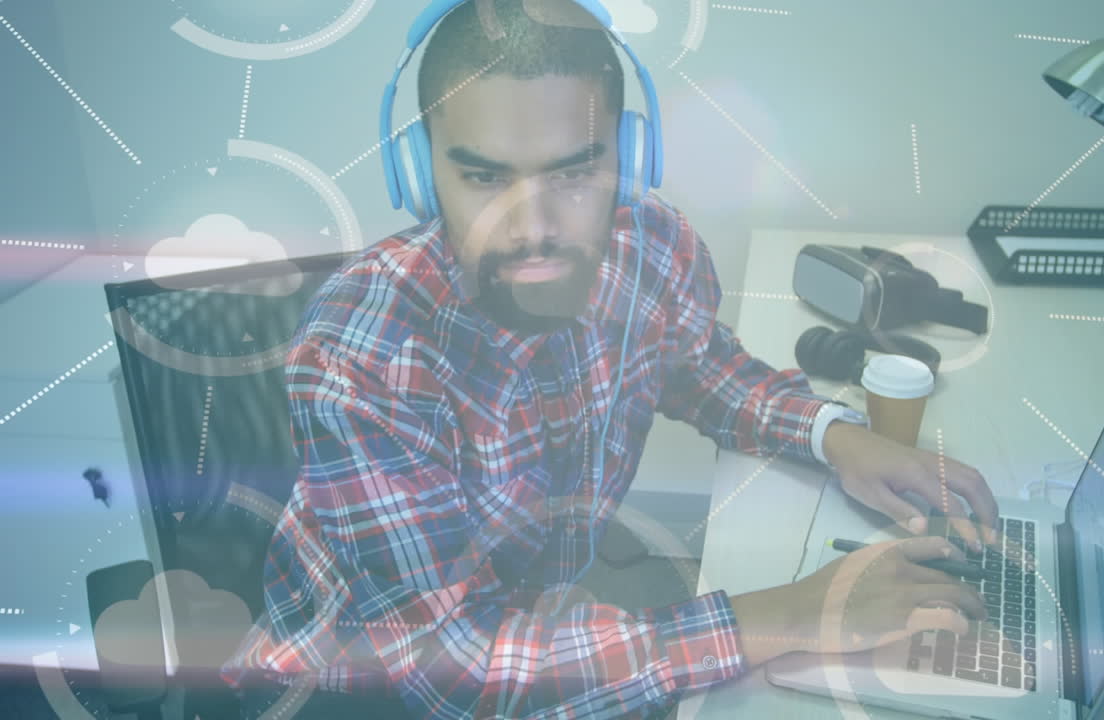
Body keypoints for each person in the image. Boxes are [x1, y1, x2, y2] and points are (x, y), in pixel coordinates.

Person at [221, 1, 1000, 717]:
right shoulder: (361, 363)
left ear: (630, 158)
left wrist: (835, 434)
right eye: (484, 175)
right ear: (421, 175)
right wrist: (792, 612)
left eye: (573, 171)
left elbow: (700, 370)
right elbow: (460, 676)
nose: (532, 228)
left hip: (533, 626)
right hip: (354, 689)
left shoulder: (649, 244)